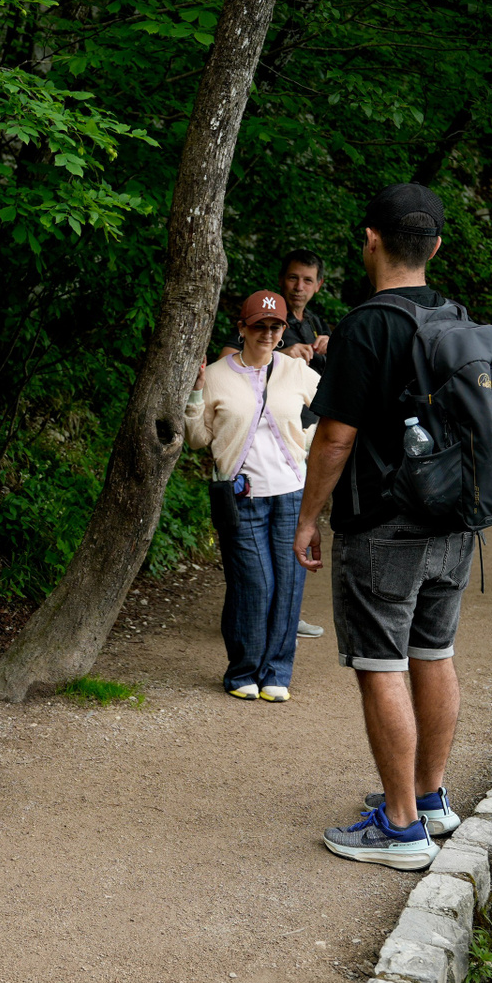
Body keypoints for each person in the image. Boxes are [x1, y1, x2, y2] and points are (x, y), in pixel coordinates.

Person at [294, 182, 471, 872]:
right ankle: (429, 799)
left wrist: (308, 518)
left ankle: (400, 830)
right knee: (434, 652)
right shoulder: (456, 317)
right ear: (436, 247)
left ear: (370, 240)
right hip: (453, 521)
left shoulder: (367, 325)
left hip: (383, 527)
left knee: (381, 665)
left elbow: (336, 436)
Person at [187, 290, 319, 702]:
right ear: (242, 328)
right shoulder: (217, 375)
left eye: (275, 326)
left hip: (292, 495)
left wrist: (306, 442)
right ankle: (243, 670)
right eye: (259, 325)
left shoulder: (296, 372)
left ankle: (276, 672)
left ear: (284, 330)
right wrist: (195, 393)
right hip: (241, 496)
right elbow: (197, 438)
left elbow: (333, 414)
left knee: (289, 585)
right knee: (254, 585)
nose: (268, 333)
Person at [276, 250, 333, 371]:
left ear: (318, 285)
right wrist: (278, 357)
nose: (299, 287)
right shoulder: (265, 317)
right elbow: (234, 358)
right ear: (281, 279)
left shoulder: (317, 323)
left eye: (308, 280)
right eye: (293, 278)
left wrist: (334, 348)